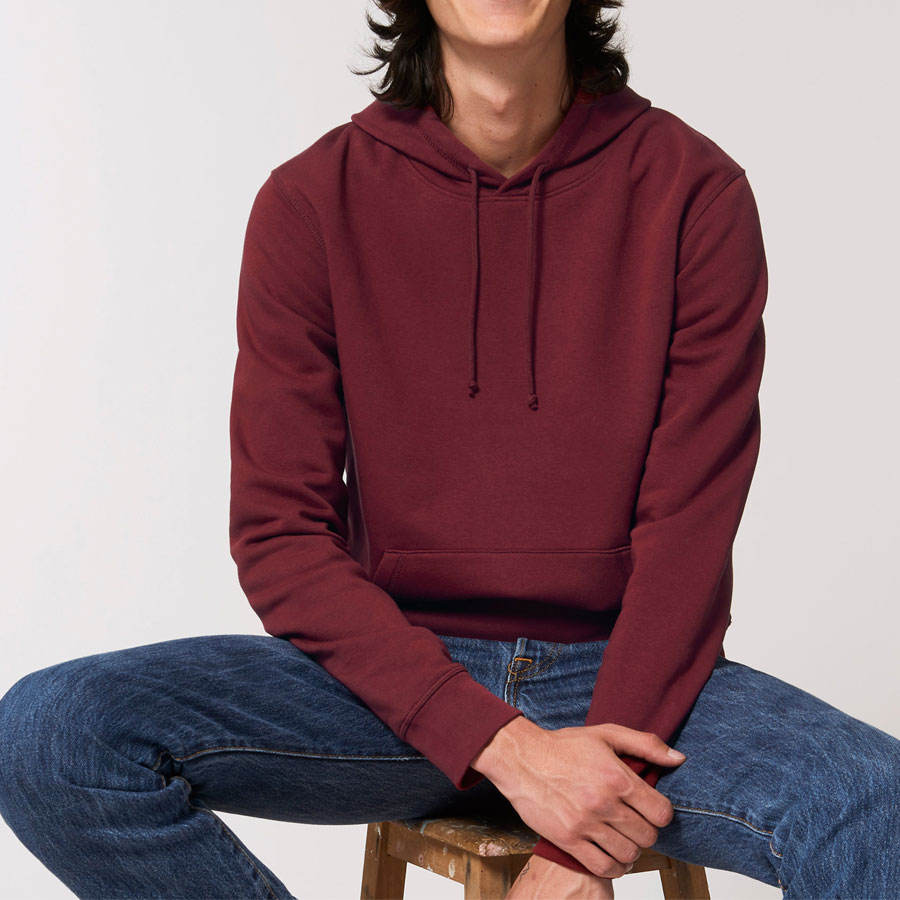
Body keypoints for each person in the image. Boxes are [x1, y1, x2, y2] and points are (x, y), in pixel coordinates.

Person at [1, 1, 898, 898]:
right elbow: (280, 534)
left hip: (622, 673)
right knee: (52, 732)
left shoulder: (692, 190)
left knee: (872, 801)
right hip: (388, 680)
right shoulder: (312, 200)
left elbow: (687, 539)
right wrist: (499, 744)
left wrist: (579, 844)